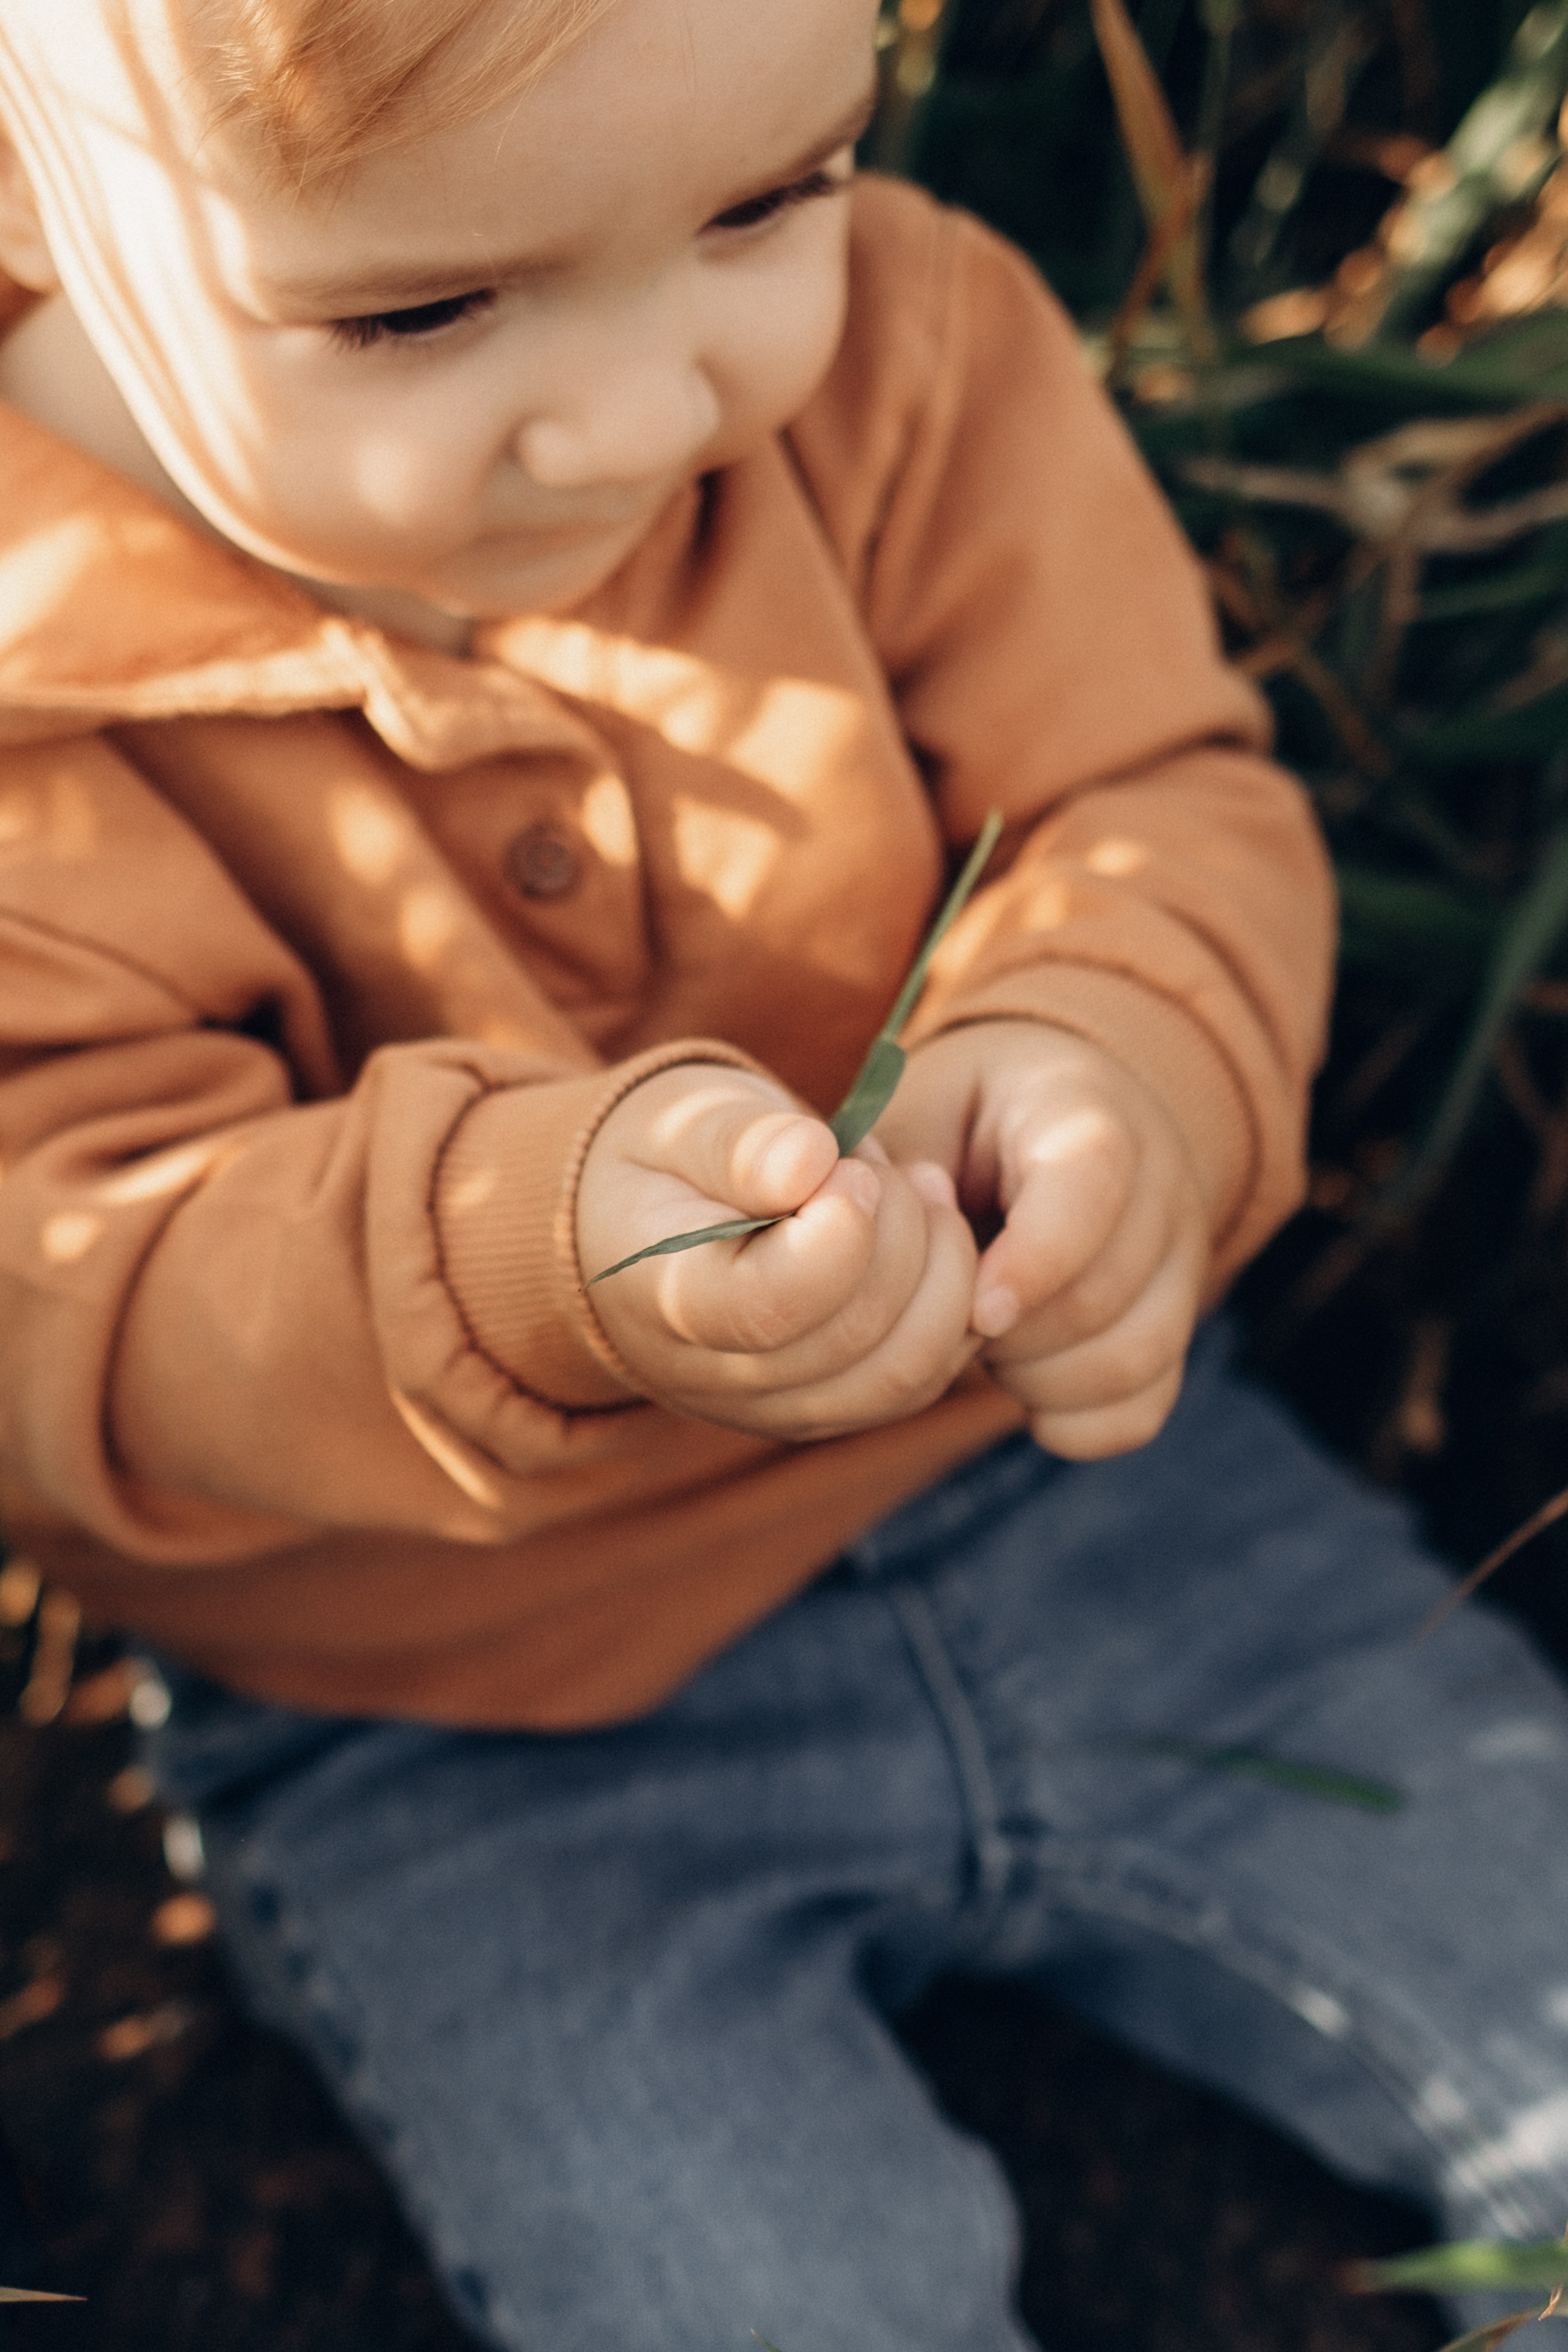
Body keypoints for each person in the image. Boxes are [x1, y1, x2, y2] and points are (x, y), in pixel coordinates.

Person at [1, 0, 1567, 2343]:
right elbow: (72, 1285)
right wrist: (531, 1258)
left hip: (1104, 1504)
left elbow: (1144, 790)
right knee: (756, 2292)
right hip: (452, 1713)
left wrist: (1105, 1051)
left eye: (772, 197)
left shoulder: (915, 367)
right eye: (418, 307)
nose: (652, 404)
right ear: (27, 188)